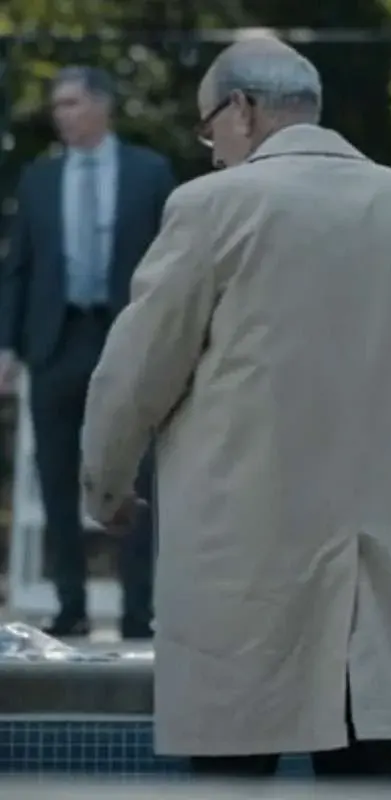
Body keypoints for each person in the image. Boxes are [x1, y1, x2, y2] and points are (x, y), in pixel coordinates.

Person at [80, 38, 391, 779]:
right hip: (387, 560)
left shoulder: (213, 207)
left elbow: (138, 369)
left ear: (242, 109)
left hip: (247, 549)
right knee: (367, 764)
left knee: (234, 761)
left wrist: (105, 482)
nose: (211, 151)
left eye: (210, 129)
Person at [0, 66, 175, 639]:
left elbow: (173, 263)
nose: (62, 114)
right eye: (58, 105)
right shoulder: (40, 179)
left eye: (71, 103)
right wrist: (6, 346)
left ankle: (137, 611)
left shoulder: (149, 173)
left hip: (126, 340)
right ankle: (69, 605)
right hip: (56, 341)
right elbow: (18, 268)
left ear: (102, 106)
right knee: (56, 478)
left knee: (137, 476)